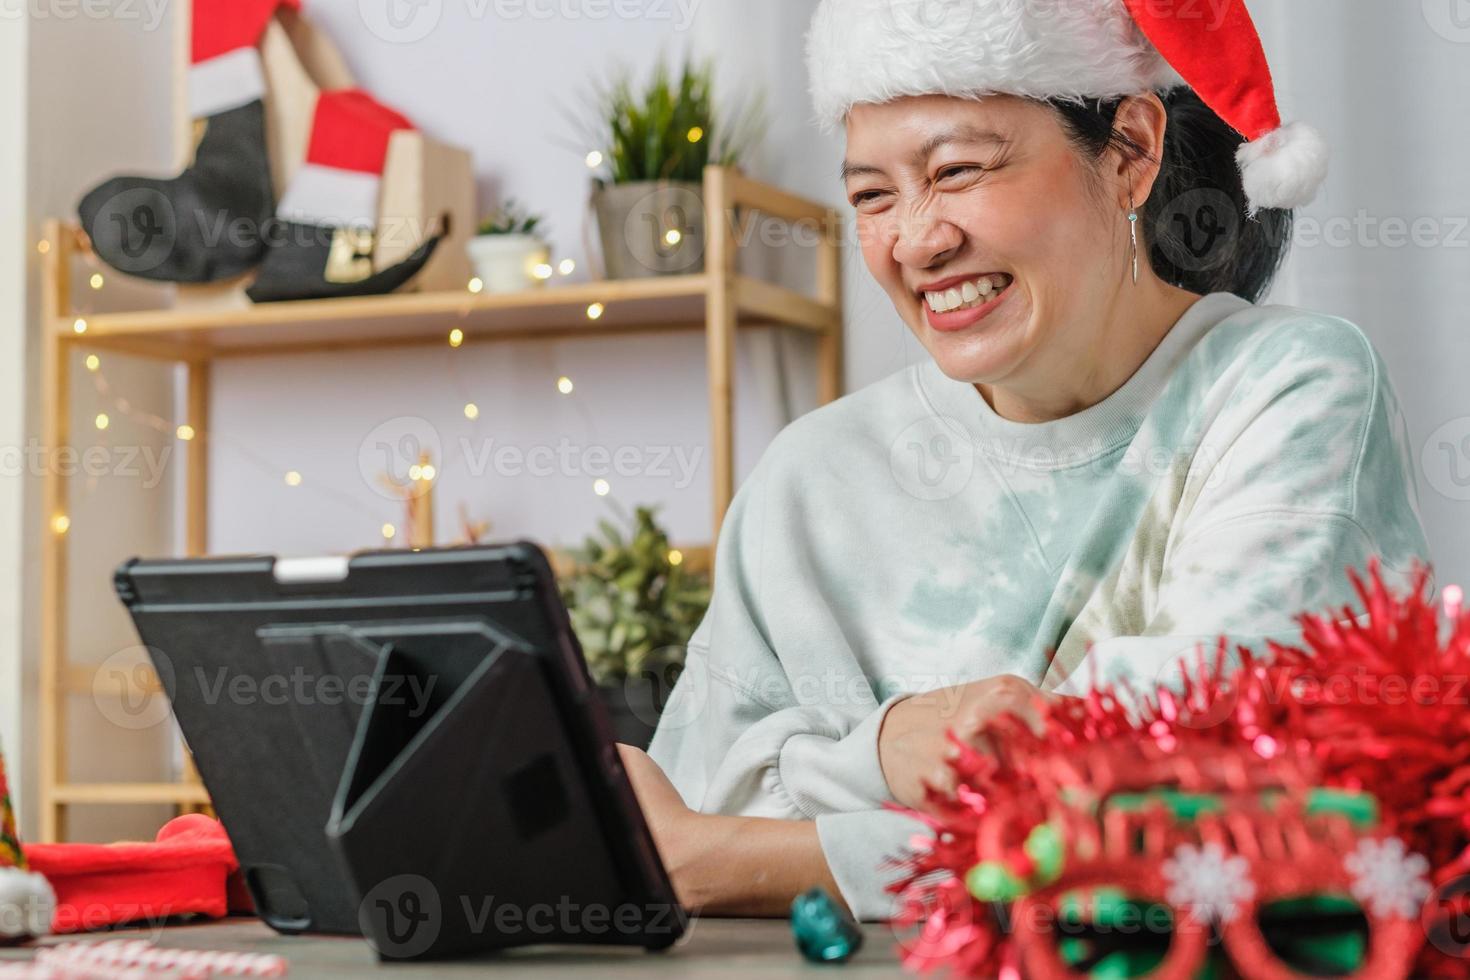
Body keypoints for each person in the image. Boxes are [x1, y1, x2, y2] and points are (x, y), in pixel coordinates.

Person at [618, 0, 1433, 920]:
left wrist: (766, 857)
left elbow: (1215, 820)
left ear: (1130, 151)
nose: (918, 241)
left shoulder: (1288, 392)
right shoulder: (810, 477)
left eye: (958, 170)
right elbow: (679, 814)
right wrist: (881, 753)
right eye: (873, 195)